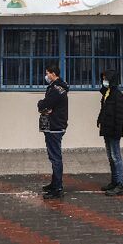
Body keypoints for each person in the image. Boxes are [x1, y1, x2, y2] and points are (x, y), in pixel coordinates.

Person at [38, 65, 69, 199]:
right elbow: (46, 106)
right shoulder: (57, 88)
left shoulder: (56, 89)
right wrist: (44, 106)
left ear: (53, 74)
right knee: (54, 156)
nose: (46, 76)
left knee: (55, 157)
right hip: (54, 125)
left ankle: (57, 188)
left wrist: (41, 104)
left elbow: (44, 105)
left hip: (54, 126)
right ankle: (54, 183)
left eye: (47, 73)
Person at [97, 70, 123, 196]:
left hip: (114, 130)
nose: (104, 81)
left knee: (116, 156)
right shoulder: (106, 93)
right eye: (103, 78)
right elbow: (104, 109)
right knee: (110, 157)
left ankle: (120, 184)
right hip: (106, 128)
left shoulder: (117, 95)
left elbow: (120, 115)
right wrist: (99, 120)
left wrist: (118, 130)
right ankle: (114, 181)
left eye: (106, 78)